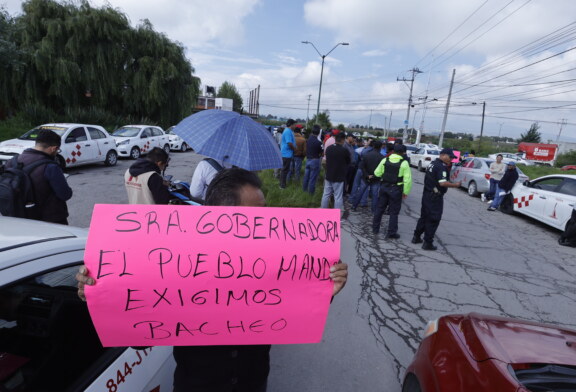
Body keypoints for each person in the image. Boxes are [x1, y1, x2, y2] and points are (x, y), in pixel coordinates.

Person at [77, 167, 349, 392]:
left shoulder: (276, 261)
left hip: (252, 385)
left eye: (267, 212)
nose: (268, 222)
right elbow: (140, 337)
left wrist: (326, 290)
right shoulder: (175, 263)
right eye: (256, 217)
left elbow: (296, 313)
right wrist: (100, 296)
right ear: (222, 216)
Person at [7, 129, 72, 224]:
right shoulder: (50, 167)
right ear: (53, 148)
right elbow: (65, 194)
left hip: (20, 218)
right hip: (51, 220)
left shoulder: (13, 161)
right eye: (58, 150)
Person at [412, 148, 461, 250]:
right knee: (434, 219)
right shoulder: (441, 167)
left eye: (452, 157)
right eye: (450, 157)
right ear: (443, 155)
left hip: (427, 194)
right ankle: (427, 242)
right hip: (435, 196)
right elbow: (442, 183)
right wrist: (455, 185)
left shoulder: (433, 163)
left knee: (424, 217)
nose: (451, 159)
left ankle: (416, 237)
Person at [372, 144, 412, 238]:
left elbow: (376, 173)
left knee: (380, 209)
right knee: (394, 212)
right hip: (396, 189)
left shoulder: (385, 160)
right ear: (403, 153)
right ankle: (391, 232)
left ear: (393, 151)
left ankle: (375, 229)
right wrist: (405, 192)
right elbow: (407, 180)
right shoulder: (404, 163)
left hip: (384, 187)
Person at [351, 140, 384, 213]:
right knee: (375, 195)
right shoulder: (382, 158)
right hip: (376, 178)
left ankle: (354, 206)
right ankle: (374, 210)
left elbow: (362, 166)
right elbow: (382, 170)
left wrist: (367, 175)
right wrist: (375, 176)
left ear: (373, 146)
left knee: (360, 192)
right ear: (381, 147)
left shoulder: (367, 155)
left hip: (366, 177)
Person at [321, 132, 350, 210]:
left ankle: (323, 211)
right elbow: (348, 161)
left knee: (326, 194)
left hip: (329, 174)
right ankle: (336, 215)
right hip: (339, 176)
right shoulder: (344, 150)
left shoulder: (329, 148)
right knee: (338, 196)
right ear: (343, 140)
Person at [302, 125, 323, 194]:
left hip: (308, 159)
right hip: (315, 160)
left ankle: (304, 190)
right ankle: (311, 193)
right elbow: (322, 153)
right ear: (319, 132)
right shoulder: (319, 142)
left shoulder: (308, 140)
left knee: (306, 176)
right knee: (312, 178)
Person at [279, 119, 297, 188]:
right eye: (294, 124)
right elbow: (289, 142)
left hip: (287, 153)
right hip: (286, 154)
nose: (295, 126)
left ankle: (282, 184)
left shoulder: (289, 131)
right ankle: (282, 186)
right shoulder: (287, 131)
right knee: (285, 170)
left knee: (285, 170)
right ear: (291, 125)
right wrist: (294, 149)